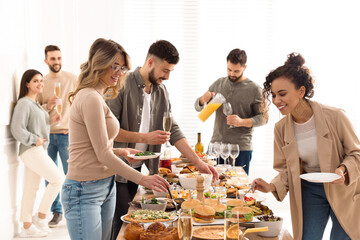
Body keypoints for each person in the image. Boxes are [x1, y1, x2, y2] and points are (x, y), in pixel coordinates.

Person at [107, 39, 219, 240]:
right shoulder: (122, 84)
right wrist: (144, 137)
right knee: (123, 226)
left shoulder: (161, 91)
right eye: (165, 70)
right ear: (150, 62)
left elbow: (173, 129)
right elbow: (109, 130)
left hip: (140, 167)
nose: (167, 76)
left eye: (170, 72)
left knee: (139, 224)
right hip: (118, 169)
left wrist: (198, 162)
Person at [61, 38, 170, 240]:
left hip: (105, 185)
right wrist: (143, 179)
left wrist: (121, 152)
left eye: (122, 67)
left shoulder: (97, 97)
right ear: (99, 64)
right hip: (84, 191)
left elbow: (97, 147)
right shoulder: (90, 97)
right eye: (114, 66)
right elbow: (102, 153)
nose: (119, 73)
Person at [253, 53, 360, 240]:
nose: (277, 101)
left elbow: (356, 154)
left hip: (343, 188)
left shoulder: (335, 117)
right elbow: (286, 169)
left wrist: (343, 170)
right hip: (309, 190)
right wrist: (271, 186)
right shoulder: (281, 129)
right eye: (274, 95)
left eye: (283, 94)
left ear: (301, 91)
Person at [11, 69, 64, 238]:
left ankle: (27, 226)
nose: (40, 83)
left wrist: (50, 118)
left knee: (31, 188)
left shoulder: (34, 104)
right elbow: (16, 129)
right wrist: (35, 139)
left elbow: (37, 121)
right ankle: (40, 217)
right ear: (27, 83)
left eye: (41, 80)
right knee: (57, 179)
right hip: (32, 149)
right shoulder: (24, 103)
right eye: (35, 81)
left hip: (37, 149)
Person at [194, 48, 266, 174]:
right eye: (229, 69)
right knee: (212, 186)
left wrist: (242, 121)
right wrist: (202, 100)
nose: (232, 74)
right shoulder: (219, 84)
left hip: (240, 149)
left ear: (245, 67)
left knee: (237, 188)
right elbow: (199, 109)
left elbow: (264, 118)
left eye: (236, 71)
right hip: (216, 146)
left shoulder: (254, 89)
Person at [37, 45, 77, 228]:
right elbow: (36, 112)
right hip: (47, 136)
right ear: (46, 61)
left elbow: (79, 105)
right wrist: (47, 106)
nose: (57, 62)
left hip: (66, 135)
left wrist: (75, 128)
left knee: (72, 174)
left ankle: (74, 210)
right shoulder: (41, 82)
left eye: (59, 58)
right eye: (53, 59)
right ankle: (57, 212)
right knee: (50, 176)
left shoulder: (72, 79)